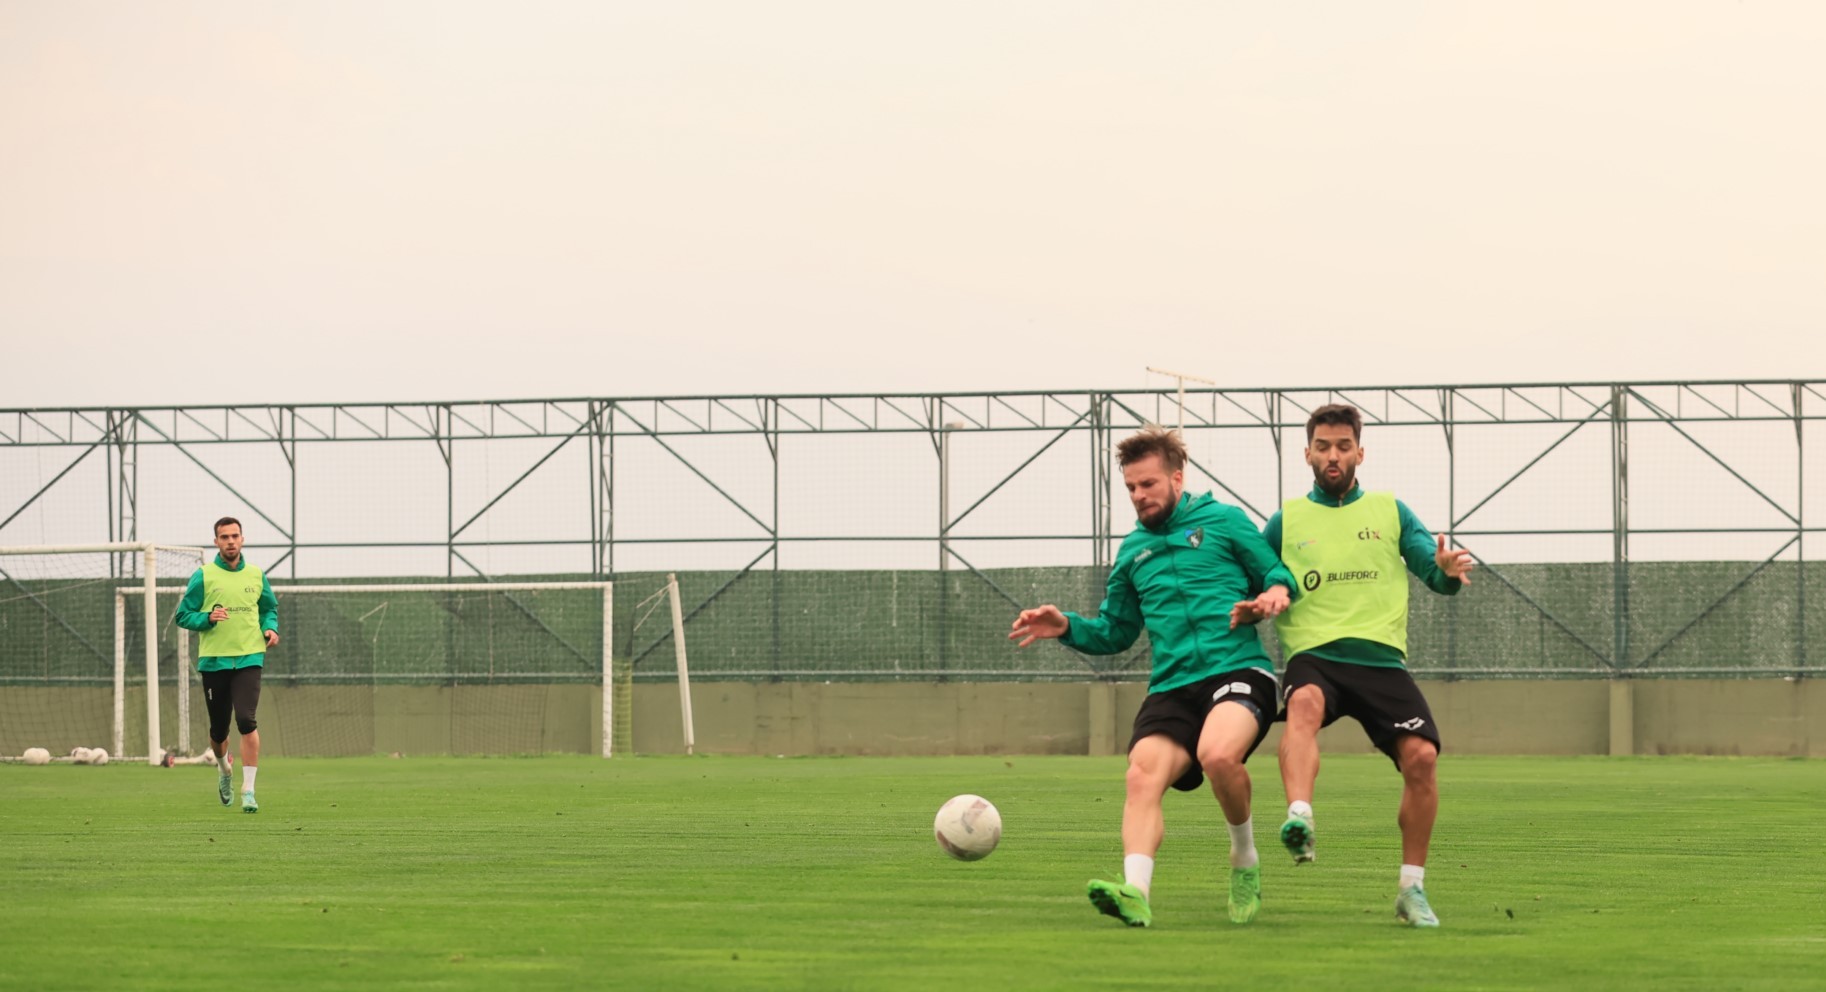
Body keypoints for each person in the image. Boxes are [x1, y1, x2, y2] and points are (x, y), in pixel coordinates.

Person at [1011, 427, 1294, 927]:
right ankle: (1135, 893)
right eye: (1131, 488)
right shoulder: (1132, 553)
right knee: (1141, 775)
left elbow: (1276, 572)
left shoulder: (1224, 521)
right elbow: (1116, 631)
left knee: (1217, 755)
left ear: (1177, 478)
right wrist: (1066, 628)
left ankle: (1243, 858)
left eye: (1148, 484)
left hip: (1238, 670)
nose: (1139, 496)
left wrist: (1271, 594)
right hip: (1172, 687)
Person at [1229, 403, 1474, 928]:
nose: (1333, 455)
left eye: (1343, 446)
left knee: (1423, 759)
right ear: (1308, 454)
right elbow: (1260, 579)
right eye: (1323, 447)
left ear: (1360, 452)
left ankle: (1412, 890)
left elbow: (1432, 572)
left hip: (1381, 660)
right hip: (1315, 655)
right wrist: (1254, 602)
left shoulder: (1389, 510)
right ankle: (1300, 817)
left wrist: (1447, 571)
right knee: (1304, 703)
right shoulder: (1286, 520)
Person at [173, 517, 279, 813]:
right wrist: (206, 618)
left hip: (249, 657)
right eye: (224, 537)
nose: (230, 541)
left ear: (242, 539)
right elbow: (183, 615)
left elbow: (269, 608)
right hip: (214, 661)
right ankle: (223, 769)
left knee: (246, 720)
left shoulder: (257, 575)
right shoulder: (204, 576)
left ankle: (249, 789)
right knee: (219, 731)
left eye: (235, 536)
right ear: (216, 542)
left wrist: (270, 628)